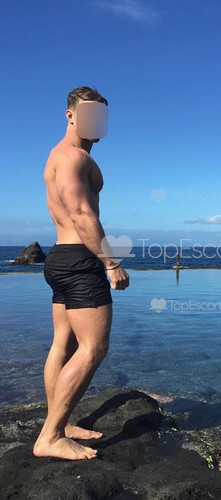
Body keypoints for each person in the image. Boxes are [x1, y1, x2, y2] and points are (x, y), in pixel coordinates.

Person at [33, 86, 130, 460]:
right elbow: (81, 213)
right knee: (94, 348)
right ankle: (51, 436)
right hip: (79, 261)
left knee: (64, 344)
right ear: (70, 115)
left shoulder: (57, 155)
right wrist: (111, 262)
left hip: (60, 257)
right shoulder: (73, 157)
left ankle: (61, 421)